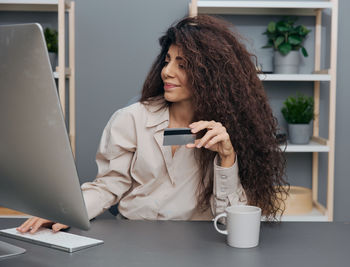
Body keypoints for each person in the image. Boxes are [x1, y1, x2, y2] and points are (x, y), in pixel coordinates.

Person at [18, 15, 287, 233]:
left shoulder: (228, 131)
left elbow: (230, 221)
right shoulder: (131, 118)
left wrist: (227, 158)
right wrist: (66, 210)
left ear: (211, 76)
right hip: (133, 238)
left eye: (182, 65)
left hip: (197, 245)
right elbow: (108, 185)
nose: (167, 71)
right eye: (167, 60)